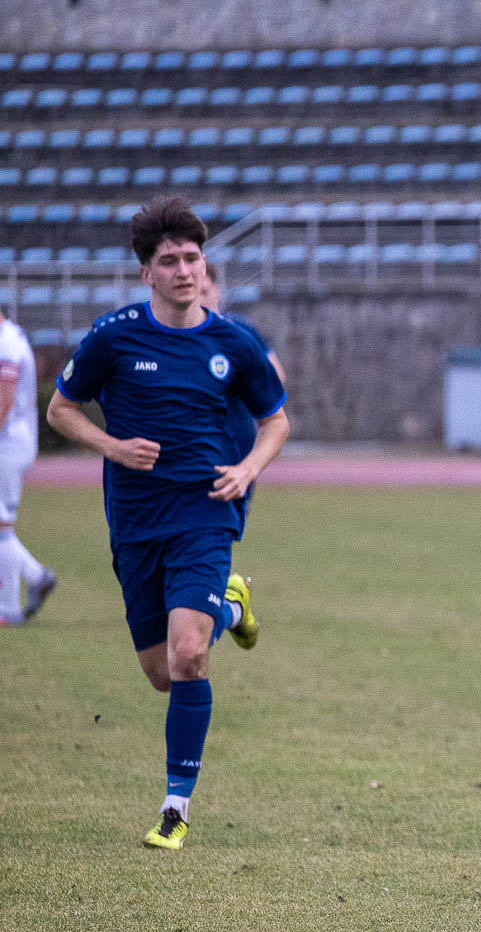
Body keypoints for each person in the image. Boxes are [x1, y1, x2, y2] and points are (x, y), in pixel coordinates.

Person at [46, 194, 289, 850]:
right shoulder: (114, 336)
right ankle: (231, 608)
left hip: (205, 514)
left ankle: (175, 809)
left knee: (189, 654)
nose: (184, 270)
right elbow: (60, 409)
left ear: (205, 264)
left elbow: (275, 420)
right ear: (145, 272)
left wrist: (247, 469)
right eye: (170, 261)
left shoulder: (232, 341)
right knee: (161, 672)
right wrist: (113, 447)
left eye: (192, 258)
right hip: (135, 520)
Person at [197, 263, 287, 540]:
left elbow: (276, 376)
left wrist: (231, 379)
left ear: (218, 291)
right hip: (192, 452)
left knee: (224, 531)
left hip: (237, 448)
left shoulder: (240, 330)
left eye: (204, 291)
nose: (199, 299)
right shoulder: (172, 338)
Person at [0, 308, 56, 625]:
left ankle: (8, 609)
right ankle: (36, 576)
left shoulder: (6, 343)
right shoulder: (11, 336)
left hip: (8, 444)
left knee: (2, 527)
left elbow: (3, 400)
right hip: (14, 440)